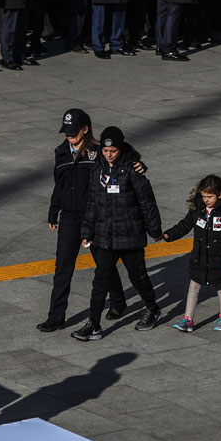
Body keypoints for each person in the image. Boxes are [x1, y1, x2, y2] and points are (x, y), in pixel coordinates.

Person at [39, 110, 143, 332]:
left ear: (85, 129)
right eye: (66, 132)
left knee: (103, 262)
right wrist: (53, 210)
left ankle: (118, 302)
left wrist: (140, 165)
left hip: (94, 217)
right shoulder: (61, 152)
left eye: (73, 132)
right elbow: (60, 185)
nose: (69, 136)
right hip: (68, 217)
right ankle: (56, 316)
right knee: (63, 266)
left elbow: (126, 154)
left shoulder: (98, 151)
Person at [76, 126, 162, 341]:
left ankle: (152, 308)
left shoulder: (133, 170)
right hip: (104, 236)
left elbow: (147, 203)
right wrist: (87, 232)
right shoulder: (98, 170)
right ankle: (94, 324)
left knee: (138, 277)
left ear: (121, 149)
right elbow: (92, 204)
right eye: (106, 151)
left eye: (113, 150)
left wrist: (155, 230)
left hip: (130, 235)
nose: (109, 155)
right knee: (100, 281)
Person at [162, 174, 221, 332]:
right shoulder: (197, 210)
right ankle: (188, 318)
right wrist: (168, 235)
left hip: (219, 259)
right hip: (199, 258)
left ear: (220, 195)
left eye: (209, 197)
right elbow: (184, 225)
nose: (206, 200)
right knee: (193, 287)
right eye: (204, 196)